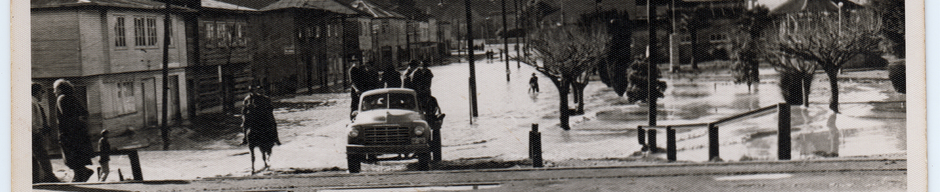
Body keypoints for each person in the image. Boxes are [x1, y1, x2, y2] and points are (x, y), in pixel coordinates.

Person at [53, 79, 95, 182]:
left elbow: (67, 116)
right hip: (79, 133)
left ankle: (80, 178)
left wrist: (75, 121)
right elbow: (85, 113)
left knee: (72, 159)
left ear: (59, 89)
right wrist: (80, 120)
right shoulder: (73, 98)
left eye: (55, 89)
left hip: (69, 134)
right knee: (78, 159)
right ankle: (82, 174)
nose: (54, 92)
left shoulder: (61, 98)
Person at [241, 85, 279, 173]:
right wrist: (245, 115)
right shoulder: (247, 99)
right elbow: (243, 110)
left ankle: (275, 138)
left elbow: (268, 109)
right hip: (251, 117)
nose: (252, 92)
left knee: (273, 124)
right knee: (244, 125)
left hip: (261, 117)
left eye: (254, 91)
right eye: (251, 91)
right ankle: (244, 138)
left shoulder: (262, 98)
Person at [32, 83, 59, 183]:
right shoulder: (31, 102)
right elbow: (32, 121)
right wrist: (37, 132)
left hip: (36, 133)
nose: (42, 95)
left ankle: (39, 178)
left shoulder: (34, 102)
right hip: (35, 134)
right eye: (41, 92)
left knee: (37, 156)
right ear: (37, 92)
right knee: (42, 156)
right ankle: (49, 177)